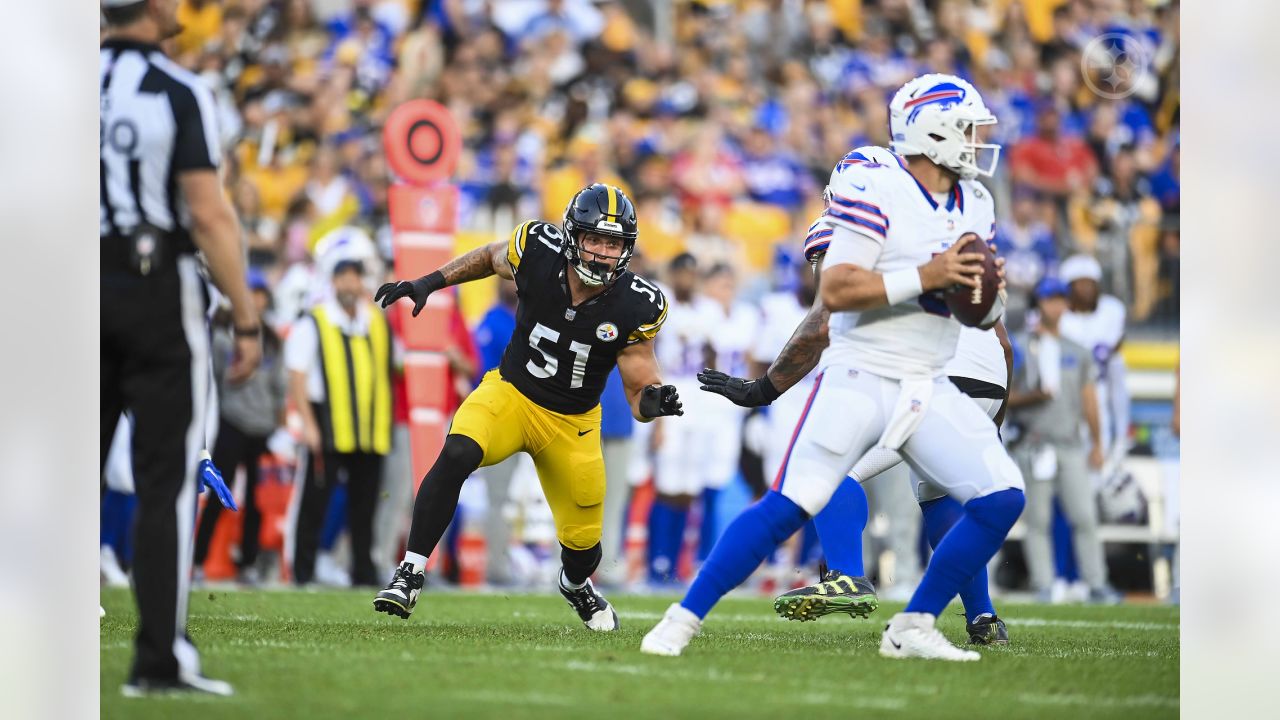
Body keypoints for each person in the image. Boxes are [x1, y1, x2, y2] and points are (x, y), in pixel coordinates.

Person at [641, 74, 1023, 662]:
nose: (976, 141)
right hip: (864, 373)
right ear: (933, 129)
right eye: (967, 128)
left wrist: (986, 296)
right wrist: (930, 276)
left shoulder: (975, 200)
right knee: (791, 503)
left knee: (1001, 496)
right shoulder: (877, 182)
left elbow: (980, 308)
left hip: (933, 378)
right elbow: (839, 290)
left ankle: (915, 622)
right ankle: (680, 619)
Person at [706, 146, 1018, 645]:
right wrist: (993, 417)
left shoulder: (856, 222)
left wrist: (766, 387)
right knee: (941, 496)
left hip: (923, 368)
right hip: (985, 371)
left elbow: (825, 320)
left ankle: (847, 574)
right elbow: (1002, 339)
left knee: (833, 470)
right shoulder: (942, 220)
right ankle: (982, 618)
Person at [372, 184, 683, 631]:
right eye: (594, 239)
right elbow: (488, 257)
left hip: (572, 424)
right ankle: (411, 571)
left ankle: (575, 586)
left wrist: (655, 401)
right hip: (512, 394)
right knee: (458, 450)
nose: (602, 253)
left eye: (613, 244)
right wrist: (429, 282)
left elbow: (638, 391)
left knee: (583, 548)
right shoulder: (538, 248)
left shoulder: (637, 303)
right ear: (573, 237)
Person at [101, 0, 261, 696]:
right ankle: (158, 658)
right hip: (153, 290)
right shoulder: (177, 89)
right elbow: (207, 210)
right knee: (165, 480)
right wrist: (247, 318)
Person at [1008, 277, 1120, 604]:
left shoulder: (1078, 351)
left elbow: (1090, 402)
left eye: (1059, 299)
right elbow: (1006, 398)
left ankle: (1096, 583)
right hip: (1034, 442)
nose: (1054, 306)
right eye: (1047, 300)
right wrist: (1034, 397)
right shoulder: (1020, 346)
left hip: (1070, 443)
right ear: (1037, 305)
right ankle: (1044, 584)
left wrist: (1098, 443)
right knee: (1038, 520)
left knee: (1084, 516)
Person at [285, 258, 392, 588]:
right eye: (343, 277)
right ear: (333, 282)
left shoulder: (375, 321)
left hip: (370, 429)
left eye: (354, 278)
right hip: (328, 424)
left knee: (365, 507)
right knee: (314, 502)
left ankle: (363, 571)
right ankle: (302, 572)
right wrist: (308, 424)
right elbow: (297, 375)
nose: (349, 284)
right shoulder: (315, 320)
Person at [193, 270, 287, 585]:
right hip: (231, 423)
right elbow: (213, 382)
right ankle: (197, 561)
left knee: (258, 500)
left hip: (262, 427)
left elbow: (279, 385)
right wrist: (240, 369)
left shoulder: (271, 338)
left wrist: (279, 421)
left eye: (260, 295)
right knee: (220, 491)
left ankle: (248, 562)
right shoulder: (221, 335)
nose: (256, 301)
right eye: (251, 293)